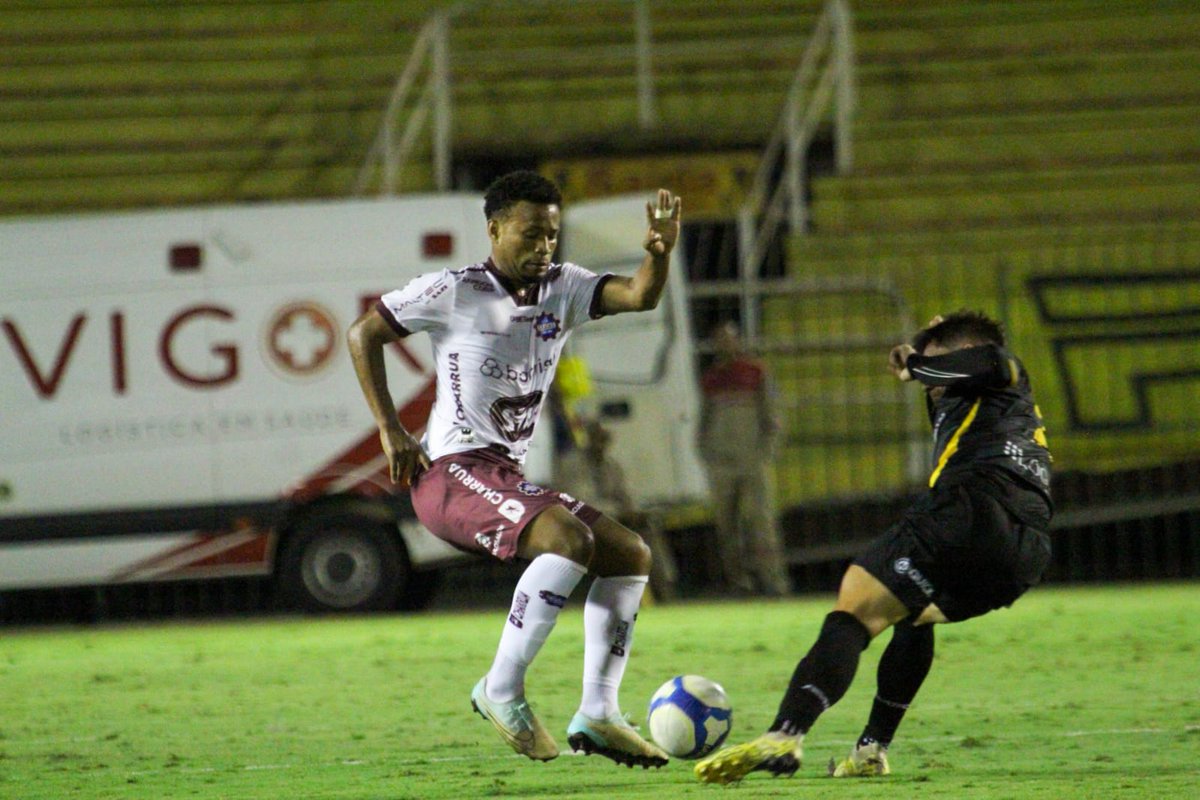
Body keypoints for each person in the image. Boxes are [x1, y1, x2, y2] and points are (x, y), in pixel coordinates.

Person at [347, 170, 681, 769]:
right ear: (495, 229)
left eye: (552, 236)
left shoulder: (563, 287)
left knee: (630, 554)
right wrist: (390, 428)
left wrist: (657, 255)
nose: (543, 248)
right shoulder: (456, 290)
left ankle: (599, 711)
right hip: (449, 473)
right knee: (568, 540)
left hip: (502, 473)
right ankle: (500, 688)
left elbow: (639, 295)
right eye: (530, 235)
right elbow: (363, 333)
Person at [694, 310, 1053, 784]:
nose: (928, 381)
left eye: (937, 364)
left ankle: (785, 734)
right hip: (1024, 553)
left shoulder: (1001, 368)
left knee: (854, 610)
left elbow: (986, 360)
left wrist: (921, 361)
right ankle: (871, 749)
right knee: (912, 613)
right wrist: (925, 348)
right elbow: (949, 368)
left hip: (969, 510)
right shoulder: (984, 404)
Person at [696, 321, 791, 596]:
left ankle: (773, 581)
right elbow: (704, 420)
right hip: (722, 463)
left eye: (730, 339)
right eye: (720, 341)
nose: (726, 345)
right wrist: (707, 454)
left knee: (761, 523)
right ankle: (739, 582)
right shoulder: (711, 379)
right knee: (727, 527)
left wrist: (766, 452)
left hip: (752, 459)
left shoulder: (756, 373)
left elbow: (772, 415)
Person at [554, 419, 679, 602]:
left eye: (603, 439)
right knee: (618, 537)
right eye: (597, 438)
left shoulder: (610, 465)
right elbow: (582, 502)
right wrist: (621, 513)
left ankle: (665, 587)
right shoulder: (572, 464)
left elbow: (625, 494)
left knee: (648, 530)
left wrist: (635, 512)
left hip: (612, 519)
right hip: (581, 524)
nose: (601, 443)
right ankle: (622, 594)